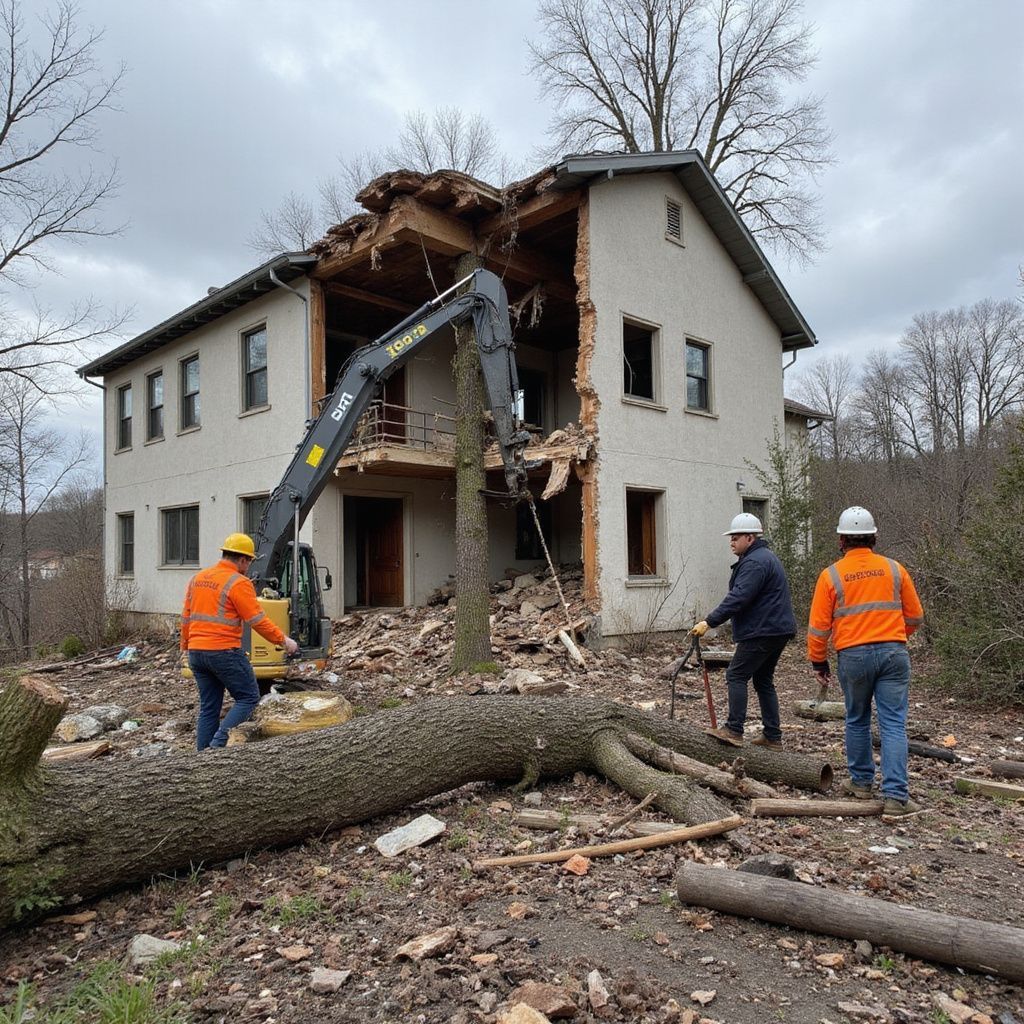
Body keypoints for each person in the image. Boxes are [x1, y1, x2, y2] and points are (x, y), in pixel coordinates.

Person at [808, 506, 925, 818]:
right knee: (893, 723)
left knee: (857, 718)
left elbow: (818, 629)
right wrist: (896, 635)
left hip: (854, 656)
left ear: (841, 540)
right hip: (893, 653)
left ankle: (861, 784)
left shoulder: (830, 575)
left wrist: (819, 664)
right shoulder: (895, 569)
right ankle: (896, 798)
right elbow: (915, 616)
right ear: (874, 536)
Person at [181, 532, 298, 749]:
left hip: (197, 653)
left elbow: (186, 616)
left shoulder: (198, 578)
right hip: (223, 651)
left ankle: (201, 756)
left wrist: (186, 647)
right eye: (249, 562)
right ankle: (217, 748)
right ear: (242, 559)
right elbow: (258, 621)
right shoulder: (238, 582)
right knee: (248, 698)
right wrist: (284, 641)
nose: (249, 567)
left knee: (209, 708)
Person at [690, 512, 796, 749]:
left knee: (736, 675)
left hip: (762, 630)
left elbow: (738, 598)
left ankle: (734, 729)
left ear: (750, 537)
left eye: (736, 537)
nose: (731, 542)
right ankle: (772, 735)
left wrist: (709, 622)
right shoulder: (762, 558)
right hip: (775, 629)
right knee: (763, 680)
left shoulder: (755, 562)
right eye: (731, 537)